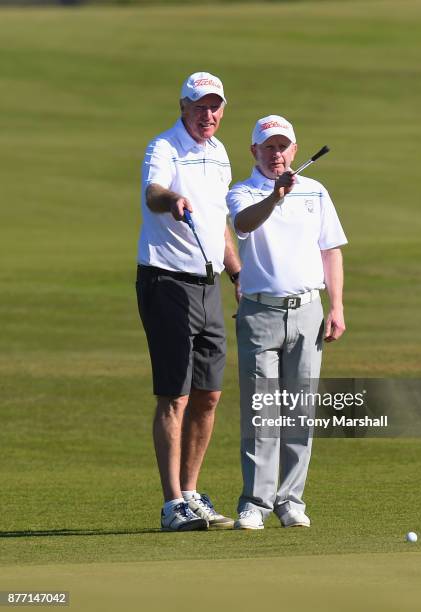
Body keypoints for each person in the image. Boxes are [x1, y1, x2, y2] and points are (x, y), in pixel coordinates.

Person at [226, 115, 347, 529]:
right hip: (260, 312)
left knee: (300, 410)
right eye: (268, 147)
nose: (276, 154)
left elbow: (331, 251)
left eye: (283, 146)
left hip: (309, 310)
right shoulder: (242, 192)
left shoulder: (315, 191)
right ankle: (255, 504)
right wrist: (275, 197)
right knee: (262, 411)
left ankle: (291, 500)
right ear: (253, 152)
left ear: (294, 150)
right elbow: (243, 225)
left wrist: (337, 307)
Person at [136, 72, 241, 532]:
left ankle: (192, 492)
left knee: (209, 394)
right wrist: (172, 198)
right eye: (200, 106)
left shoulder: (219, 155)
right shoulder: (164, 147)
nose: (208, 115)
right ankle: (171, 503)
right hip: (166, 280)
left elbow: (220, 225)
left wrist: (237, 271)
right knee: (174, 395)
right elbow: (152, 193)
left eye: (215, 106)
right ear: (183, 106)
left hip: (207, 283)